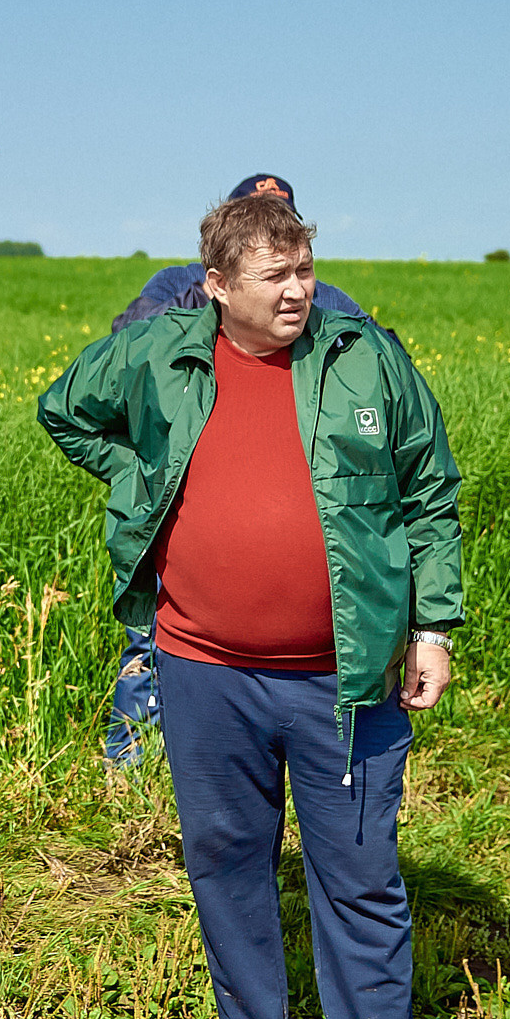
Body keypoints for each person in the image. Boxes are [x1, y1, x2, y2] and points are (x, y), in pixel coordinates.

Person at [37, 191, 464, 1019]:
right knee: (227, 860)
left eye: (305, 269)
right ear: (217, 287)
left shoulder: (364, 357)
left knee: (357, 876)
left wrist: (432, 623)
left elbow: (429, 490)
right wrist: (140, 477)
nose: (298, 291)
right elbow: (64, 411)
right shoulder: (159, 354)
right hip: (202, 669)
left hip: (344, 677)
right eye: (275, 277)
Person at [99, 173, 369, 767]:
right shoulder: (179, 287)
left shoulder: (329, 301)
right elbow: (125, 370)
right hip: (181, 506)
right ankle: (130, 768)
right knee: (156, 638)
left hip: (307, 514)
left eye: (283, 221)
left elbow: (382, 373)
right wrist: (141, 463)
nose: (290, 287)